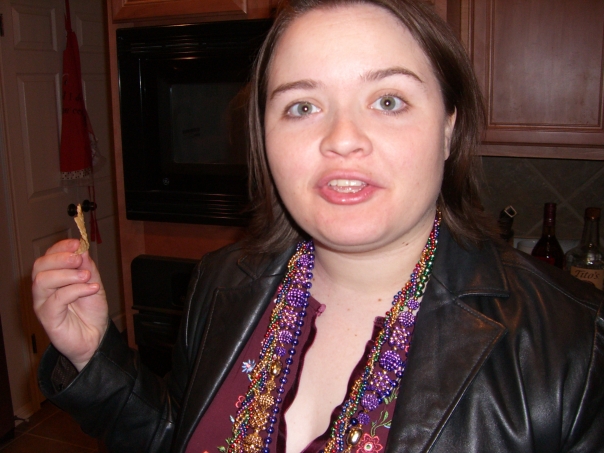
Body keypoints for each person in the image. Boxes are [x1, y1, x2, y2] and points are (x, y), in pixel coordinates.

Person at [32, 0, 603, 452]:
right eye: (302, 107)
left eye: (388, 101)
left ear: (450, 128)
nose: (342, 139)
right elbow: (179, 435)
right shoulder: (222, 282)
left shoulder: (575, 346)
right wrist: (94, 359)